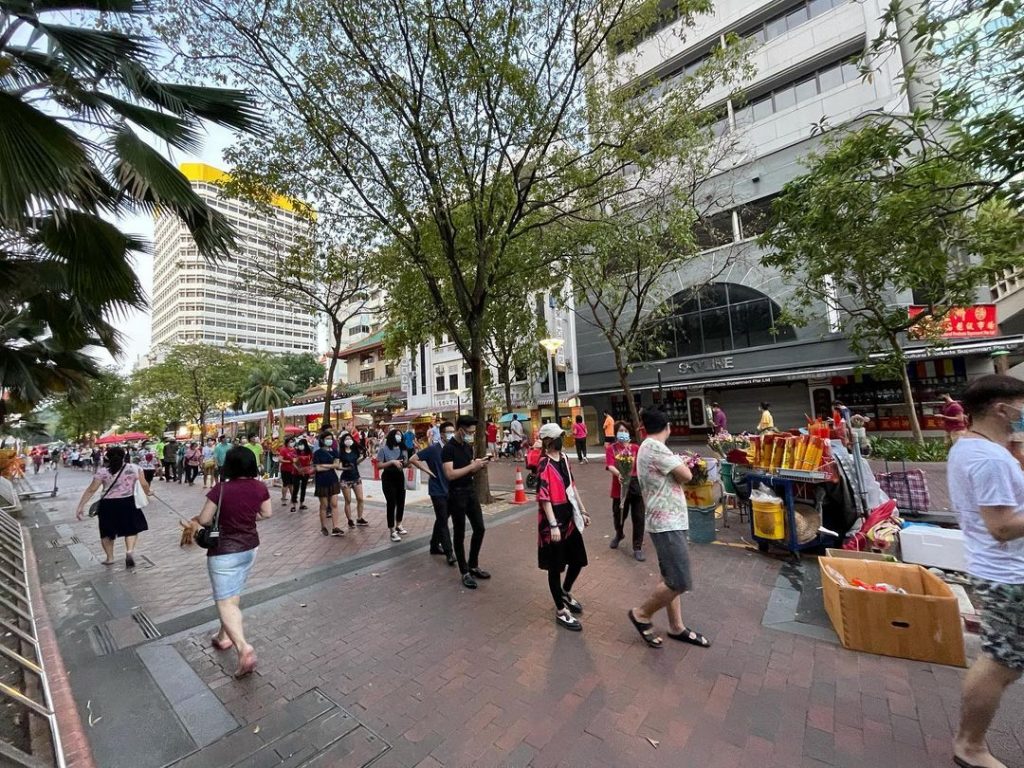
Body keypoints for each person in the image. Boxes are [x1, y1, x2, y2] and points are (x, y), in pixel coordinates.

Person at [947, 374, 1024, 768]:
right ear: (1001, 409)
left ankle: (969, 743)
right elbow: (1002, 527)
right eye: (1021, 406)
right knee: (1001, 663)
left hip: (998, 569)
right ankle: (970, 746)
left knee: (1003, 660)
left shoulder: (971, 447)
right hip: (1007, 575)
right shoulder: (988, 459)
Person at [628, 408, 711, 650]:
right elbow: (686, 475)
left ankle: (676, 626)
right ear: (667, 427)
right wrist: (683, 463)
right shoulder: (655, 447)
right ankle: (642, 614)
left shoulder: (647, 447)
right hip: (667, 522)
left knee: (669, 577)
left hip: (666, 520)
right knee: (680, 580)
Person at [187, 445, 271, 679]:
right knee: (232, 595)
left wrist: (220, 518)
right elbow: (267, 513)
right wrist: (246, 517)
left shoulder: (221, 489)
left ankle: (243, 647)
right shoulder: (260, 487)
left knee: (225, 602)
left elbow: (205, 519)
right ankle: (223, 636)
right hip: (250, 547)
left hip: (224, 551)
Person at [536, 422, 591, 631]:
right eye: (558, 436)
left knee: (578, 560)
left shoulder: (565, 459)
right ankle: (560, 610)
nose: (562, 439)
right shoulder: (544, 464)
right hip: (553, 522)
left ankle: (565, 591)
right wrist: (552, 525)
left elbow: (572, 487)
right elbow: (544, 497)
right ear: (548, 441)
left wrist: (583, 510)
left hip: (569, 518)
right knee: (555, 567)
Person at [75, 446, 152, 568]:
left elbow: (91, 489)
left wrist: (81, 506)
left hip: (108, 505)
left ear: (107, 457)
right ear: (124, 456)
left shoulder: (102, 472)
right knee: (131, 529)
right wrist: (148, 492)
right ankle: (129, 551)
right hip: (128, 502)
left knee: (107, 532)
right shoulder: (135, 468)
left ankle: (110, 558)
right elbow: (144, 484)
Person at [443, 415, 491, 589]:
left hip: (470, 491)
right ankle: (464, 571)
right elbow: (450, 474)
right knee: (460, 533)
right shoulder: (448, 449)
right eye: (469, 432)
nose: (471, 435)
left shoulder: (467, 447)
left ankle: (473, 564)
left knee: (480, 528)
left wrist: (478, 465)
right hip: (456, 494)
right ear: (461, 430)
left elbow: (468, 467)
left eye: (473, 432)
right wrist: (472, 466)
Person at [418, 421, 457, 565]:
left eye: (453, 431)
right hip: (437, 490)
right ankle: (449, 552)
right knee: (443, 520)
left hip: (450, 488)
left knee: (442, 518)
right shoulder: (433, 449)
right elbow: (413, 459)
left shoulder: (453, 449)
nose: (451, 434)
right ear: (441, 434)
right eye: (448, 432)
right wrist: (428, 471)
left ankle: (434, 545)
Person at [606, 421, 645, 561]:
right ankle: (619, 533)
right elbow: (610, 465)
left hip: (635, 485)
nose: (623, 433)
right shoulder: (611, 449)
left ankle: (637, 546)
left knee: (639, 517)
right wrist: (619, 474)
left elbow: (641, 465)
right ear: (616, 433)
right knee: (619, 516)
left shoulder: (636, 448)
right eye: (620, 431)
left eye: (625, 431)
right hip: (619, 486)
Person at [312, 433, 344, 536]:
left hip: (333, 479)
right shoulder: (317, 453)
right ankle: (323, 526)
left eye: (331, 438)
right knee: (324, 505)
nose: (329, 440)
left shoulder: (335, 451)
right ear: (322, 440)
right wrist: (330, 465)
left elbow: (336, 465)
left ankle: (335, 527)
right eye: (327, 438)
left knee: (334, 504)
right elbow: (317, 468)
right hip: (321, 480)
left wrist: (324, 465)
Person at [338, 431, 369, 528]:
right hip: (345, 480)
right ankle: (350, 520)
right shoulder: (341, 453)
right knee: (348, 500)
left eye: (350, 439)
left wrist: (363, 458)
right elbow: (338, 467)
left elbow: (356, 462)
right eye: (346, 439)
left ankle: (360, 518)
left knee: (360, 499)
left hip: (356, 477)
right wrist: (347, 468)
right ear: (343, 441)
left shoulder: (355, 451)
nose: (349, 440)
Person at [291, 439, 313, 513]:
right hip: (296, 472)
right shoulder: (295, 451)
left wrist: (309, 468)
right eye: (299, 444)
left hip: (305, 472)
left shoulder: (309, 452)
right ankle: (294, 505)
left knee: (303, 488)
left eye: (302, 444)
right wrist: (298, 469)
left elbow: (311, 461)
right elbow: (293, 462)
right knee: (296, 488)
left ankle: (301, 504)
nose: (300, 445)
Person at [278, 437, 297, 504]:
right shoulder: (284, 450)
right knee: (285, 484)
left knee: (291, 484)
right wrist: (289, 461)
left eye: (293, 442)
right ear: (287, 443)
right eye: (290, 442)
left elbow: (296, 458)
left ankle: (293, 498)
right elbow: (280, 459)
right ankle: (283, 497)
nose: (292, 443)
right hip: (285, 470)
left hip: (293, 470)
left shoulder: (294, 450)